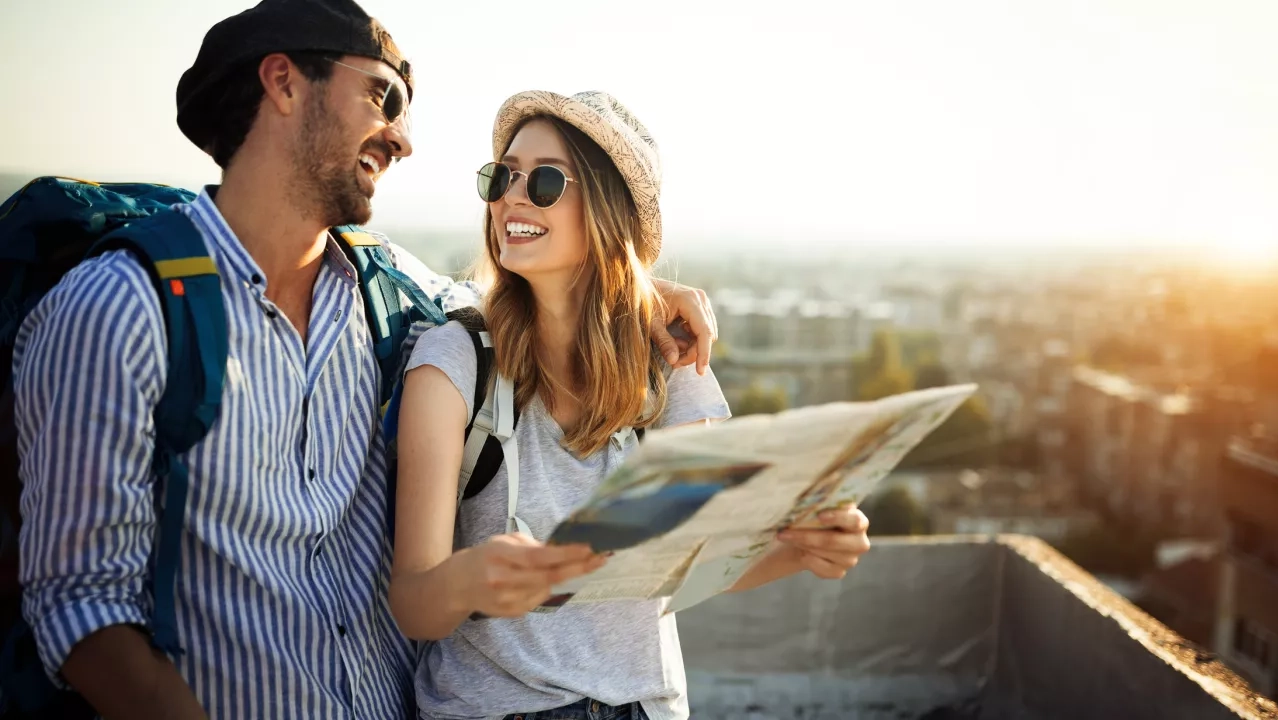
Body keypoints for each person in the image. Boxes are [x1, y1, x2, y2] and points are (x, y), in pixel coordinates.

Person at [10, 2, 720, 718]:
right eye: (386, 97)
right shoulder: (117, 310)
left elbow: (534, 296)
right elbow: (82, 607)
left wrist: (635, 286)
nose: (404, 140)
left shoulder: (388, 293)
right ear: (284, 84)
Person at [388, 91, 872, 720]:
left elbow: (684, 564)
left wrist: (803, 549)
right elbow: (413, 601)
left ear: (607, 211)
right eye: (501, 176)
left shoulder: (671, 369)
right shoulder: (453, 365)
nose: (511, 196)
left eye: (543, 180)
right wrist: (475, 578)